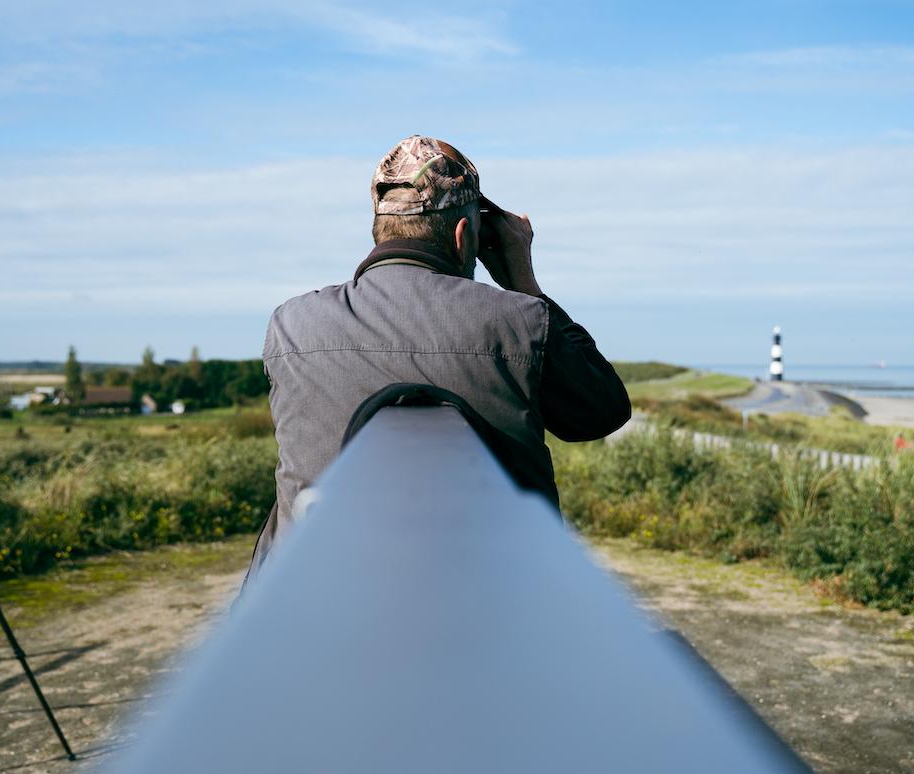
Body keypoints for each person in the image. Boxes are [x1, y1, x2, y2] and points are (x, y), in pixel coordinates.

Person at [251, 134, 630, 571]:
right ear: (463, 233)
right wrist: (524, 282)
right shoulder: (520, 321)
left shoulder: (292, 324)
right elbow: (602, 414)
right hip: (498, 601)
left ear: (378, 228)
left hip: (310, 592)